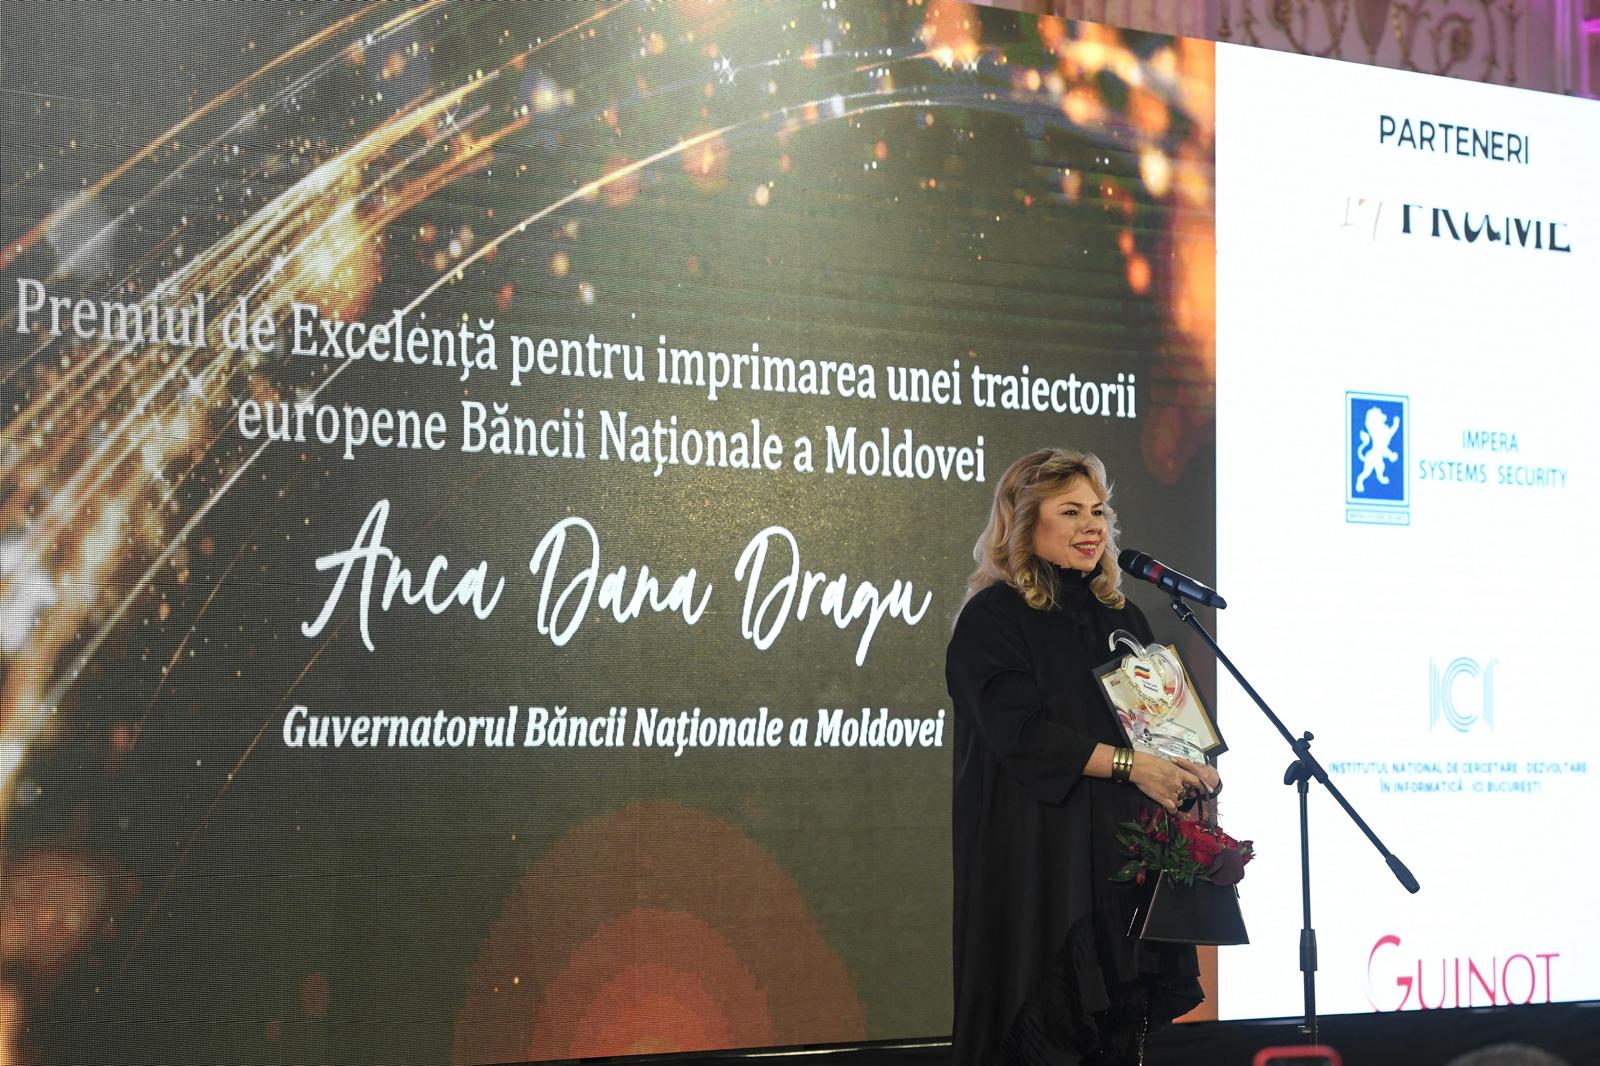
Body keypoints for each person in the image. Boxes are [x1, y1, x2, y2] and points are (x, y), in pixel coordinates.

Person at [946, 448, 1221, 1065]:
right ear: (1024, 522)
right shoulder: (993, 619)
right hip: (1041, 876)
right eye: (1070, 511)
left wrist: (1187, 764)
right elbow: (1022, 734)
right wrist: (1132, 766)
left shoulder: (1122, 616)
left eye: (1098, 511)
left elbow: (1158, 729)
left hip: (1118, 876)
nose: (1092, 525)